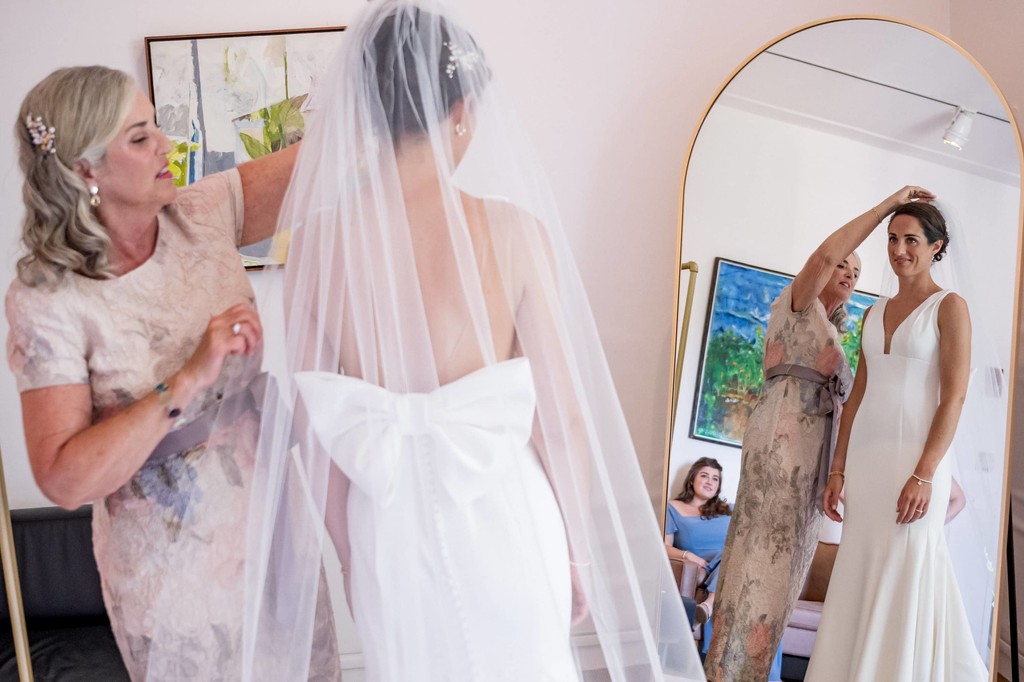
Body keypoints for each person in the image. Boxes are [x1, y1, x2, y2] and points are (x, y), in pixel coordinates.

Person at [239, 1, 705, 680]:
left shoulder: (312, 249)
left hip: (387, 538)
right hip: (507, 521)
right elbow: (562, 421)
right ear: (459, 109)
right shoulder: (515, 234)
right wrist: (576, 552)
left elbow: (317, 437)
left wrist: (350, 558)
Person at [6, 66, 339, 680]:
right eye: (139, 138)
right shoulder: (46, 298)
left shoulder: (204, 213)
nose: (166, 144)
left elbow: (331, 161)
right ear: (85, 170)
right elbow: (64, 477)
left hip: (271, 526)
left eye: (156, 126)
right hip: (172, 572)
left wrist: (385, 69)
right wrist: (184, 381)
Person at [704, 185, 935, 681]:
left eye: (856, 271)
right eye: (842, 267)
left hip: (814, 468)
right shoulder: (795, 305)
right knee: (754, 565)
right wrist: (885, 208)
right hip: (781, 453)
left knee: (782, 581)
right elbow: (826, 251)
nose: (849, 274)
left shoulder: (841, 335)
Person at [806, 202, 988, 681]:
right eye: (893, 239)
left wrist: (925, 473)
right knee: (861, 561)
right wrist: (839, 468)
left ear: (936, 247)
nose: (899, 250)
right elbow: (859, 393)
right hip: (867, 463)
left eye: (911, 240)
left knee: (906, 561)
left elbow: (955, 396)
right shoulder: (873, 311)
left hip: (915, 463)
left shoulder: (949, 307)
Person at [666, 457, 785, 680]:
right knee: (730, 554)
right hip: (706, 565)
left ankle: (709, 606)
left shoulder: (730, 509)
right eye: (704, 476)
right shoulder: (672, 507)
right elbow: (663, 546)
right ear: (692, 479)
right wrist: (687, 554)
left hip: (736, 566)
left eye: (715, 478)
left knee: (764, 603)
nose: (710, 482)